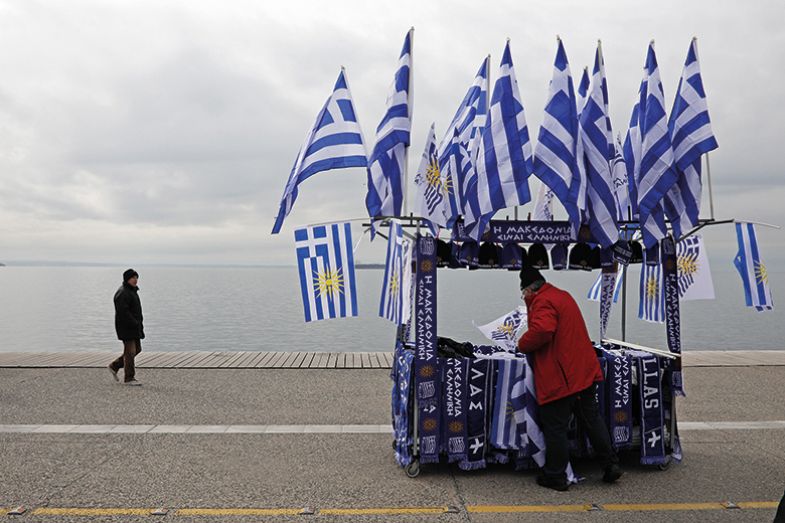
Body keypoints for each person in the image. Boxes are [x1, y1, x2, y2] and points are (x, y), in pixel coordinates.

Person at [516, 266, 621, 491]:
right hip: (583, 370)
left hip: (563, 376)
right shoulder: (562, 296)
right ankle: (610, 464)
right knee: (591, 420)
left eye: (523, 292)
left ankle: (555, 476)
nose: (523, 297)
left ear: (530, 290)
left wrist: (522, 343)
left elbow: (543, 330)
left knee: (555, 426)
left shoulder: (542, 302)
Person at [108, 268, 145, 386]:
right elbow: (123, 312)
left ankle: (114, 366)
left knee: (137, 349)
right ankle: (129, 378)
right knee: (130, 352)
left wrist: (139, 325)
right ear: (127, 279)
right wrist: (133, 322)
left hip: (134, 327)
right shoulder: (123, 292)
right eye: (133, 278)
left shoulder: (132, 291)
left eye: (136, 278)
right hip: (126, 327)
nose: (135, 280)